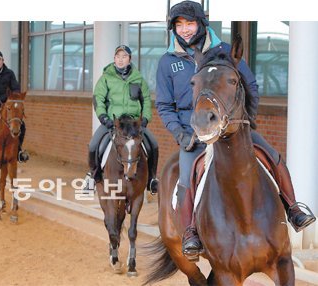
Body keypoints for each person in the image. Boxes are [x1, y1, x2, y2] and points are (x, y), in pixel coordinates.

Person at [156, 0, 315, 260]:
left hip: (232, 126)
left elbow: (250, 86)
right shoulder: (167, 62)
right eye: (179, 25)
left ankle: (293, 208)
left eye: (190, 23)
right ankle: (191, 233)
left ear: (201, 23)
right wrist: (179, 132)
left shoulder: (225, 51)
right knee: (185, 178)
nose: (184, 29)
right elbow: (163, 104)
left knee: (273, 156)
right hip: (193, 131)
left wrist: (248, 120)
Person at [82, 45, 159, 194]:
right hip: (113, 122)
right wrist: (104, 118)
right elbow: (98, 98)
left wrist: (145, 120)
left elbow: (147, 101)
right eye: (118, 57)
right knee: (93, 145)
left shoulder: (138, 79)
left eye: (124, 57)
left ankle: (152, 179)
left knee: (153, 145)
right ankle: (92, 176)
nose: (120, 59)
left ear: (129, 59)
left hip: (134, 124)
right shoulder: (106, 78)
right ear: (114, 59)